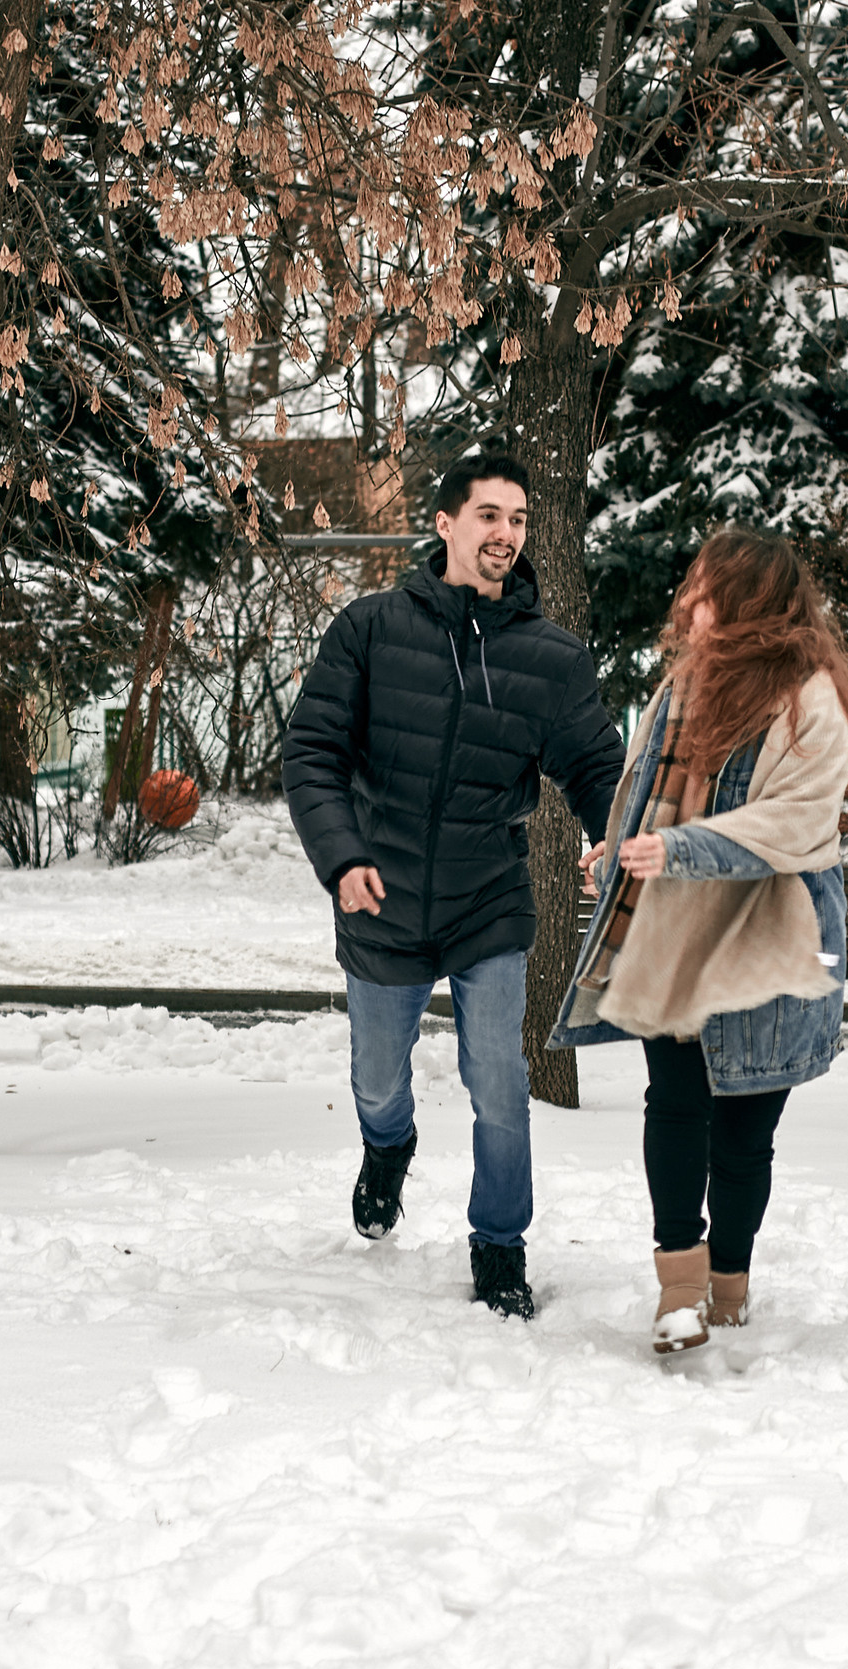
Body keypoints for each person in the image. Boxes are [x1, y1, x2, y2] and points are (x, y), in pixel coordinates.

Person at [282, 453, 626, 1319]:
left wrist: (616, 837)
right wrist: (342, 857)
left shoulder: (550, 659)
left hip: (487, 900)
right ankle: (387, 1147)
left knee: (501, 1080)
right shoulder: (369, 630)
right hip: (381, 894)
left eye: (518, 518)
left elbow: (595, 768)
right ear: (445, 524)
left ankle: (500, 1245)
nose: (506, 533)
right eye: (488, 515)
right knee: (374, 1080)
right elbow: (311, 752)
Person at [550, 527, 848, 1355]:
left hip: (768, 935)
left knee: (744, 1132)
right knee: (677, 1106)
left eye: (710, 591)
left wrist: (680, 850)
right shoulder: (680, 689)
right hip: (679, 930)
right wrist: (618, 849)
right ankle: (679, 1293)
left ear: (755, 606)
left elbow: (794, 820)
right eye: (694, 586)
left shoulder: (809, 700)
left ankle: (731, 1284)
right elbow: (648, 789)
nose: (691, 604)